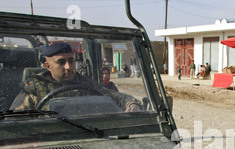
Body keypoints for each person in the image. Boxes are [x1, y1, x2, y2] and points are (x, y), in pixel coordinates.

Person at [10, 42, 141, 112]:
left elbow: (114, 96)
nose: (68, 67)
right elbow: (16, 122)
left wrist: (132, 103)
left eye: (71, 61)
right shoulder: (34, 90)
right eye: (61, 62)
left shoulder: (85, 84)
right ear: (48, 66)